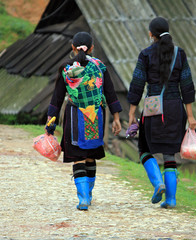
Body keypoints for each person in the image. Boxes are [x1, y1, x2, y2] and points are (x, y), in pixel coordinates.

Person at [46, 32, 122, 211]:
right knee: (90, 155)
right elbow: (110, 93)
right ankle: (88, 193)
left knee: (77, 157)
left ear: (73, 47)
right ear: (92, 48)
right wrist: (117, 118)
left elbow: (57, 97)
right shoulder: (100, 67)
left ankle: (83, 199)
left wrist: (51, 120)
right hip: (95, 117)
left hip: (73, 116)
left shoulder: (66, 68)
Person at [127, 17, 196, 208]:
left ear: (151, 34)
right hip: (175, 108)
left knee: (144, 149)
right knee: (169, 154)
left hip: (153, 109)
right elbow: (187, 86)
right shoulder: (179, 54)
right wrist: (190, 116)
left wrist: (132, 112)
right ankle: (171, 200)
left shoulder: (146, 54)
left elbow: (137, 84)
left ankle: (158, 183)